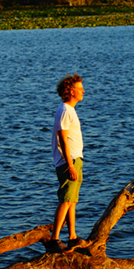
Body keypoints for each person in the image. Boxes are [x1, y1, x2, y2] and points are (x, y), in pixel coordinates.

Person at [50, 73, 86, 252]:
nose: (83, 91)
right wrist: (70, 165)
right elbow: (62, 138)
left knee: (72, 200)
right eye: (80, 89)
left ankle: (72, 237)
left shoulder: (70, 110)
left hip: (75, 159)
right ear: (71, 91)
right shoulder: (64, 110)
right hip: (68, 162)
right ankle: (54, 240)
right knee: (65, 199)